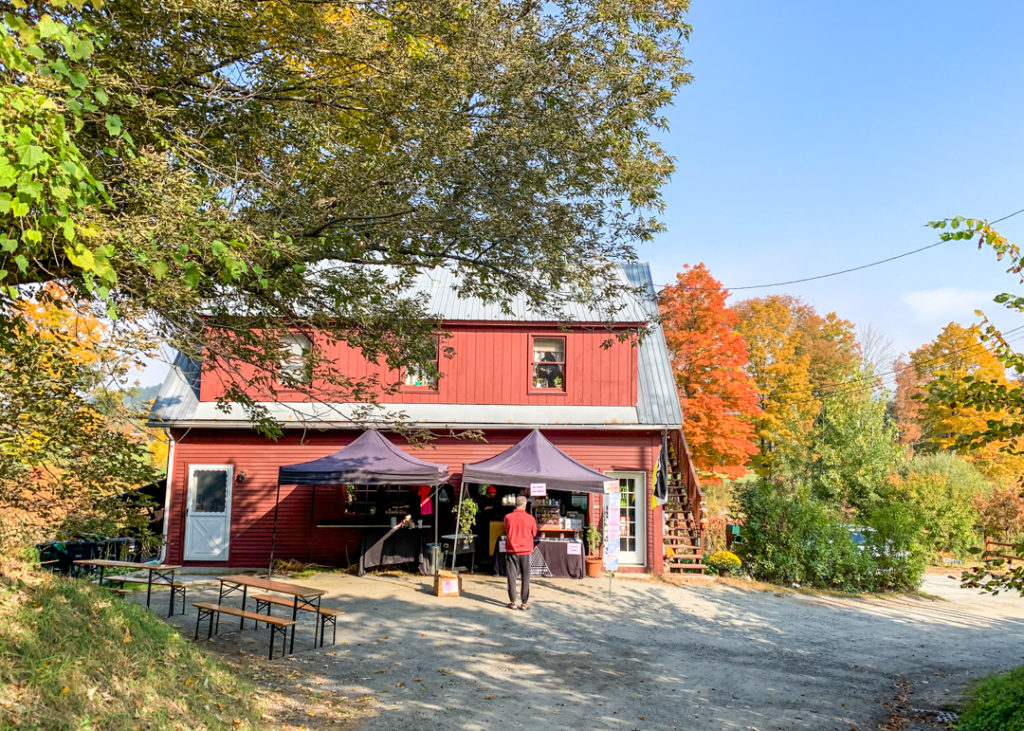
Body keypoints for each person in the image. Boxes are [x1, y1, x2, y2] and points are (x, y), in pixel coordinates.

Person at [503, 494, 538, 610]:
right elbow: (534, 534)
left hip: (512, 549)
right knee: (525, 576)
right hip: (526, 550)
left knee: (511, 576)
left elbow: (507, 530)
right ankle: (524, 602)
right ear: (525, 505)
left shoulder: (508, 517)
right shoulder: (530, 518)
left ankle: (513, 602)